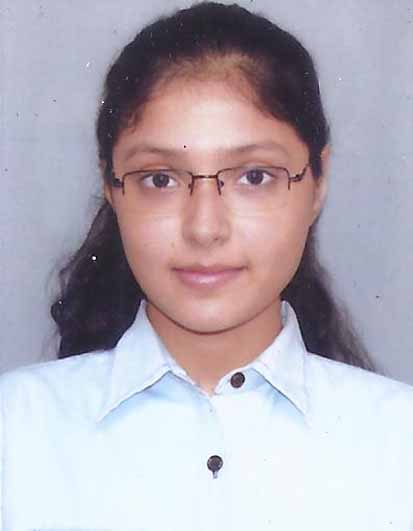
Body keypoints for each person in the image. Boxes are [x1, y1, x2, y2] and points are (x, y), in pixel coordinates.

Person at [1, 2, 412, 530]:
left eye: (255, 176)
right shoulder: (16, 434)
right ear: (112, 187)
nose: (204, 228)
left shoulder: (398, 444)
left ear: (318, 183)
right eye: (160, 179)